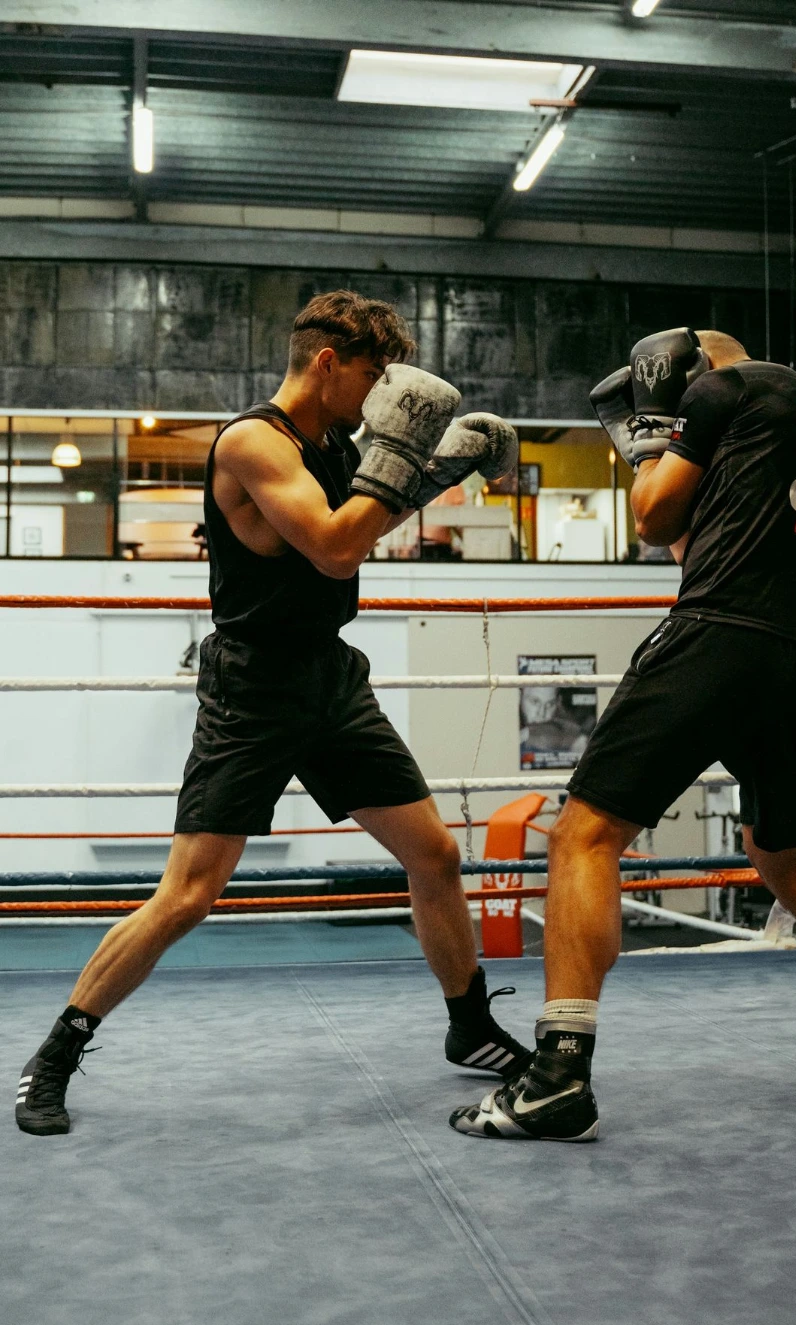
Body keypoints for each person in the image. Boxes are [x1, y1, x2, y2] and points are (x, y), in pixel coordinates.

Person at [16, 289, 527, 1137]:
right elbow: (333, 547)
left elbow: (363, 521)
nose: (377, 395)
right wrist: (408, 453)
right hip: (253, 690)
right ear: (326, 363)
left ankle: (468, 1025)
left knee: (434, 853)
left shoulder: (332, 444)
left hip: (329, 678)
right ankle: (56, 1052)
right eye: (370, 374)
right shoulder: (254, 441)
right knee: (187, 895)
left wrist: (439, 471)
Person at [452, 326, 796, 1143]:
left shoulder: (720, 390)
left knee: (585, 835)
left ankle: (555, 1074)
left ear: (693, 373)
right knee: (788, 863)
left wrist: (658, 426)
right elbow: (704, 536)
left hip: (719, 636)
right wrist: (663, 447)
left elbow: (654, 522)